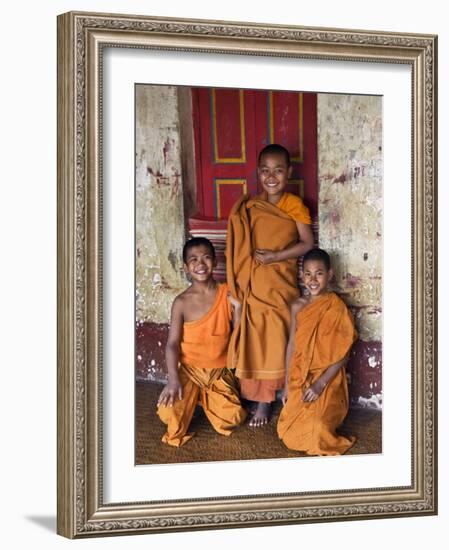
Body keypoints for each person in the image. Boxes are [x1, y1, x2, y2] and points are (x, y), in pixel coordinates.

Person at [226, 144, 314, 427]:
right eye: (265, 171)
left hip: (280, 283)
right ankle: (254, 394)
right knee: (254, 338)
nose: (272, 176)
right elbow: (241, 244)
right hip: (255, 283)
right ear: (258, 173)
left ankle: (265, 401)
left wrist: (276, 256)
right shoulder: (251, 207)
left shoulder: (294, 205)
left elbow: (307, 244)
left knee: (275, 337)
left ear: (289, 172)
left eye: (278, 170)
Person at [157, 237, 247, 447]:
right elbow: (172, 344)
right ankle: (193, 396)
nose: (200, 264)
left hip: (218, 370)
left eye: (206, 258)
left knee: (231, 419)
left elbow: (237, 334)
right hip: (189, 370)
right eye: (194, 260)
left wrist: (239, 309)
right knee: (167, 414)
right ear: (186, 267)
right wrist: (173, 379)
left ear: (215, 262)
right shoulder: (181, 302)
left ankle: (204, 399)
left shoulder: (227, 293)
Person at [277, 248, 357, 455]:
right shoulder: (297, 306)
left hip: (328, 378)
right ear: (302, 276)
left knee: (318, 430)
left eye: (319, 273)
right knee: (287, 433)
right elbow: (292, 345)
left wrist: (321, 384)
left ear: (329, 275)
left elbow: (344, 353)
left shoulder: (337, 308)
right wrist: (286, 385)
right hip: (300, 374)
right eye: (308, 274)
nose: (313, 280)